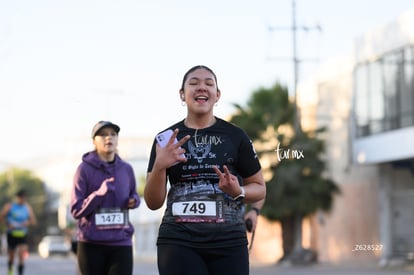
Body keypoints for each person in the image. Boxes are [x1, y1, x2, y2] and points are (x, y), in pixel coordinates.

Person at [145, 65, 266, 275]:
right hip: (178, 242)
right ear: (182, 94)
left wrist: (239, 191)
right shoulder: (165, 139)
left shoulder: (236, 136)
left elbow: (260, 188)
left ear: (217, 95)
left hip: (229, 243)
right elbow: (153, 202)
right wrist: (159, 165)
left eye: (209, 84)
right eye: (193, 83)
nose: (202, 87)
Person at [71, 121, 141, 275]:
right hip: (91, 243)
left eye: (113, 134)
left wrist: (134, 201)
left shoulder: (126, 169)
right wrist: (98, 194)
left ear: (117, 139)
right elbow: (76, 210)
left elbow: (134, 194)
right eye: (103, 134)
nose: (108, 138)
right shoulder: (83, 170)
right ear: (94, 141)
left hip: (121, 242)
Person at [0, 189, 36, 275]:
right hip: (11, 234)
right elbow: (1, 218)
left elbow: (33, 221)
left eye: (24, 198)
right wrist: (7, 224)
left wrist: (27, 222)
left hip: (22, 234)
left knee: (21, 254)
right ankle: (10, 270)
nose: (22, 199)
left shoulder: (27, 208)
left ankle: (20, 273)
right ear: (17, 198)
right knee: (11, 256)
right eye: (20, 198)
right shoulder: (9, 206)